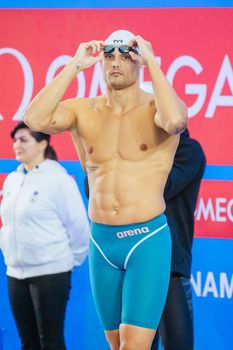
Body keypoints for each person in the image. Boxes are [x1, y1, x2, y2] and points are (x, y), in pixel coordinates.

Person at [23, 29, 188, 350]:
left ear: (137, 62)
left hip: (146, 240)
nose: (116, 62)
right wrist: (74, 64)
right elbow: (34, 118)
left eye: (125, 56)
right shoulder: (83, 110)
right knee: (117, 346)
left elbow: (176, 122)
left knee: (134, 347)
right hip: (101, 242)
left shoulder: (157, 108)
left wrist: (152, 61)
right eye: (109, 56)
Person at [0, 121, 90, 350]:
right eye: (15, 140)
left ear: (42, 144)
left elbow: (79, 226)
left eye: (23, 139)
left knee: (50, 342)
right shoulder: (12, 179)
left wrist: (69, 261)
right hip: (16, 273)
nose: (16, 145)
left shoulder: (58, 180)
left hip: (51, 272)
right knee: (28, 342)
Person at [151, 129, 206, 350]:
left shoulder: (187, 150)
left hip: (170, 265)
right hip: (132, 263)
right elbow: (93, 189)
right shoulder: (131, 151)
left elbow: (157, 190)